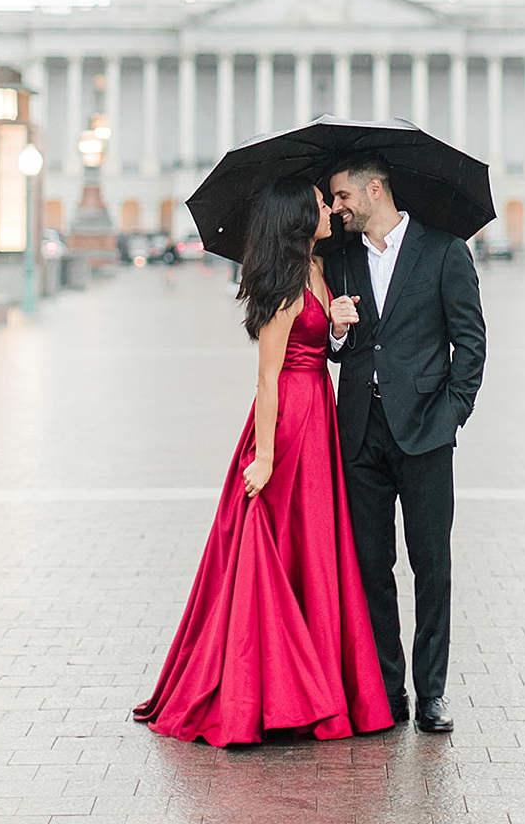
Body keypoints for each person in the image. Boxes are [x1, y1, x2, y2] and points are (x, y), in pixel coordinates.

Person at [132, 177, 392, 746]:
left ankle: (314, 680)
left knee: (316, 543)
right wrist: (267, 456)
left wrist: (339, 326)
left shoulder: (319, 272)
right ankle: (273, 689)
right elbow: (268, 377)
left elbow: (320, 348)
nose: (331, 209)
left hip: (318, 408)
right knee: (280, 541)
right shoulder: (286, 287)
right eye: (323, 204)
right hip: (293, 418)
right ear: (301, 218)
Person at [327, 157, 486, 734]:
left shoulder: (444, 251)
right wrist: (336, 330)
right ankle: (388, 692)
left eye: (343, 196)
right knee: (372, 567)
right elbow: (336, 348)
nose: (338, 207)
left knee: (431, 565)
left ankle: (433, 693)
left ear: (375, 189)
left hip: (424, 433)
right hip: (359, 432)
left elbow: (470, 343)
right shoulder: (338, 259)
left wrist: (452, 415)